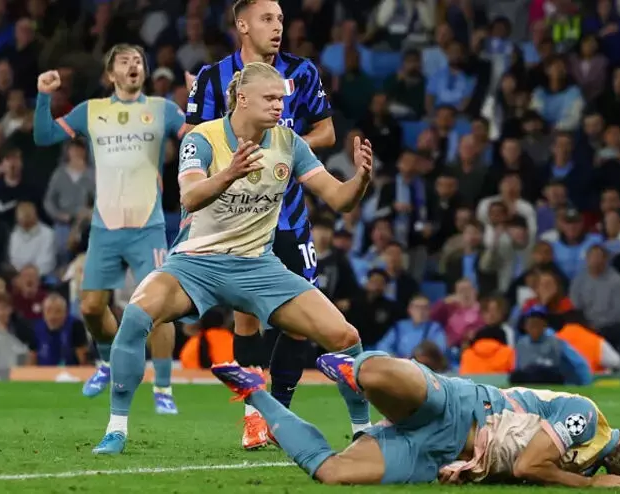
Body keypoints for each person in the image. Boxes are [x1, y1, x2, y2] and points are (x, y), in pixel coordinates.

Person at [92, 61, 373, 455]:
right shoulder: (202, 138)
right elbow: (190, 196)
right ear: (242, 98)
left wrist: (360, 180)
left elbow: (340, 200)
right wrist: (230, 173)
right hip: (195, 264)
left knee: (346, 337)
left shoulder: (289, 142)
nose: (279, 106)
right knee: (137, 315)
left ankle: (364, 433)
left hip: (258, 266)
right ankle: (116, 429)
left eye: (281, 99)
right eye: (270, 98)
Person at [185, 0, 336, 450]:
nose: (277, 26)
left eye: (281, 19)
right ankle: (254, 417)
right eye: (268, 19)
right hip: (237, 217)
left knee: (299, 323)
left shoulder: (302, 71)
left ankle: (279, 412)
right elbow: (193, 138)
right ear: (243, 25)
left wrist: (281, 150)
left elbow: (327, 132)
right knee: (247, 316)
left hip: (288, 216)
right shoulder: (213, 77)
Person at [213, 352, 620, 487]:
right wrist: (591, 486)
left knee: (331, 472)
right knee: (380, 377)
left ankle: (256, 393)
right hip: (462, 408)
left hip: (441, 457)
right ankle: (355, 369)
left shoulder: (585, 460)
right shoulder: (587, 420)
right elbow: (529, 465)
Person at [32, 44, 188, 414]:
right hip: (105, 228)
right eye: (124, 61)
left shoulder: (163, 109)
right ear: (110, 74)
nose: (134, 65)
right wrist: (43, 96)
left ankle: (163, 387)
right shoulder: (92, 111)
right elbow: (44, 136)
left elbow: (200, 137)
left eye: (138, 61)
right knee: (90, 307)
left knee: (160, 308)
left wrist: (201, 103)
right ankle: (107, 362)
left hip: (148, 226)